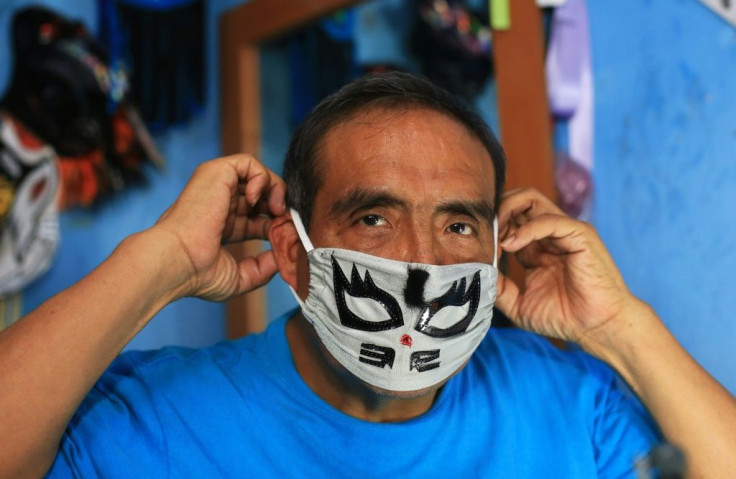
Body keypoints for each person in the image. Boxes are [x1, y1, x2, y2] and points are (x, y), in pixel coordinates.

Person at [0, 72, 734, 478]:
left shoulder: (571, 402)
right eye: (375, 218)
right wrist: (157, 263)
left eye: (457, 223)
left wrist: (619, 327)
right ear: (294, 253)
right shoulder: (156, 418)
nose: (421, 259)